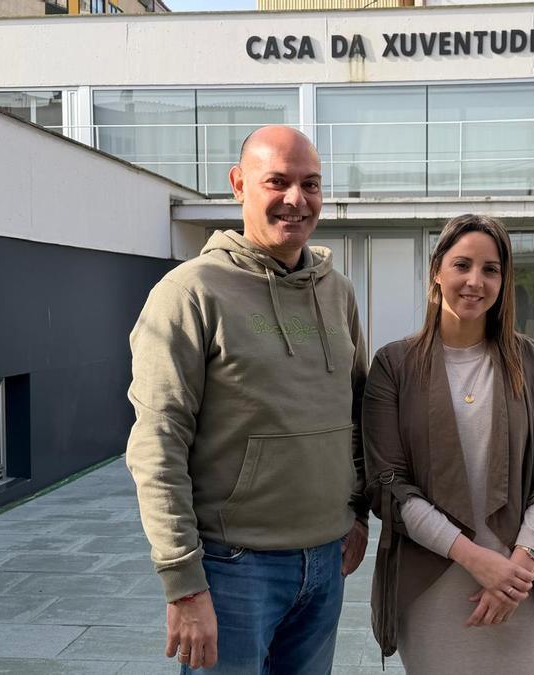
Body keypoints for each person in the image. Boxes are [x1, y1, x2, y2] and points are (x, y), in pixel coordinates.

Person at [126, 125, 369, 673]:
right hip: (233, 568)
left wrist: (358, 514)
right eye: (276, 181)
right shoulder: (189, 293)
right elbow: (157, 445)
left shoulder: (338, 292)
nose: (296, 199)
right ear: (238, 184)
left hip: (326, 561)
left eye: (311, 184)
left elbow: (355, 412)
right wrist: (183, 584)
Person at [363, 214, 534, 673]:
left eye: (490, 269)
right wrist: (477, 560)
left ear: (504, 279)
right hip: (433, 585)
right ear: (437, 269)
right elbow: (388, 487)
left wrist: (517, 567)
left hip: (526, 581)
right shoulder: (393, 366)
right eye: (462, 265)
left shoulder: (532, 361)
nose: (475, 281)